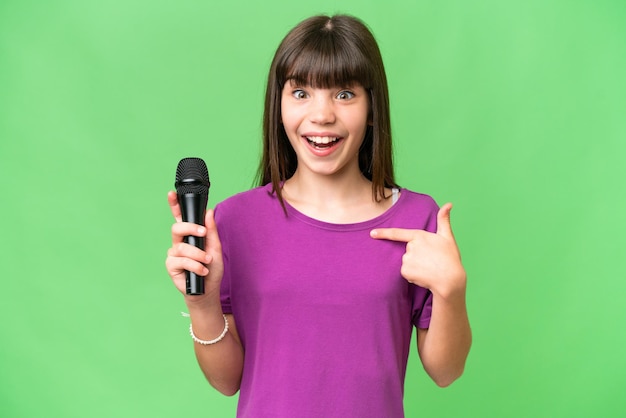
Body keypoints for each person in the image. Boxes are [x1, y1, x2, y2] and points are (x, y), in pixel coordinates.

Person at [166, 14, 471, 417]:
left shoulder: (417, 219)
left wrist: (451, 291)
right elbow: (227, 381)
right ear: (278, 107)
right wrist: (203, 306)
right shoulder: (235, 221)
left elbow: (446, 371)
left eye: (344, 94)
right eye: (301, 93)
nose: (322, 115)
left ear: (372, 108)